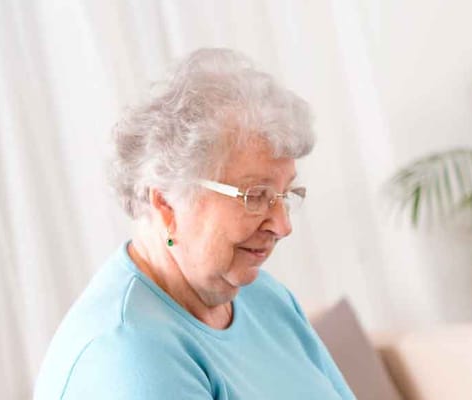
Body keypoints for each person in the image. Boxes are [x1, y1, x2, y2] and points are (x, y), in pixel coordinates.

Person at [33, 48, 356, 399]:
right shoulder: (128, 356)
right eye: (255, 195)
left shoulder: (267, 298)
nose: (282, 225)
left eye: (285, 194)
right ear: (167, 204)